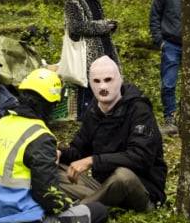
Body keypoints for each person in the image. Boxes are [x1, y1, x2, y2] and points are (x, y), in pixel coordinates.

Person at [0, 68, 108, 223]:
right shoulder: (39, 136)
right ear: (51, 104)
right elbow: (47, 194)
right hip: (21, 218)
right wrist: (68, 205)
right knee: (98, 210)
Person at [58, 56, 167, 211]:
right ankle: (93, 204)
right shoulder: (94, 110)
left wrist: (93, 161)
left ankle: (78, 212)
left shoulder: (139, 110)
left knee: (123, 176)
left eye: (108, 80)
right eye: (96, 81)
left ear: (120, 80)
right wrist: (59, 153)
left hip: (140, 191)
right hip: (102, 186)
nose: (103, 86)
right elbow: (79, 151)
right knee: (54, 168)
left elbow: (141, 157)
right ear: (90, 83)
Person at [64, 0, 119, 113]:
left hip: (103, 49)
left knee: (104, 83)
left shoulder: (94, 0)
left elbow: (97, 21)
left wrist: (109, 26)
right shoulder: (74, 2)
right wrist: (102, 26)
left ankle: (104, 113)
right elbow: (76, 27)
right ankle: (85, 116)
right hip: (87, 54)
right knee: (88, 86)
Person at [150, 0, 182, 136]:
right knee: (168, 83)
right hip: (170, 44)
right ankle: (170, 119)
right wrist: (160, 42)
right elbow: (154, 17)